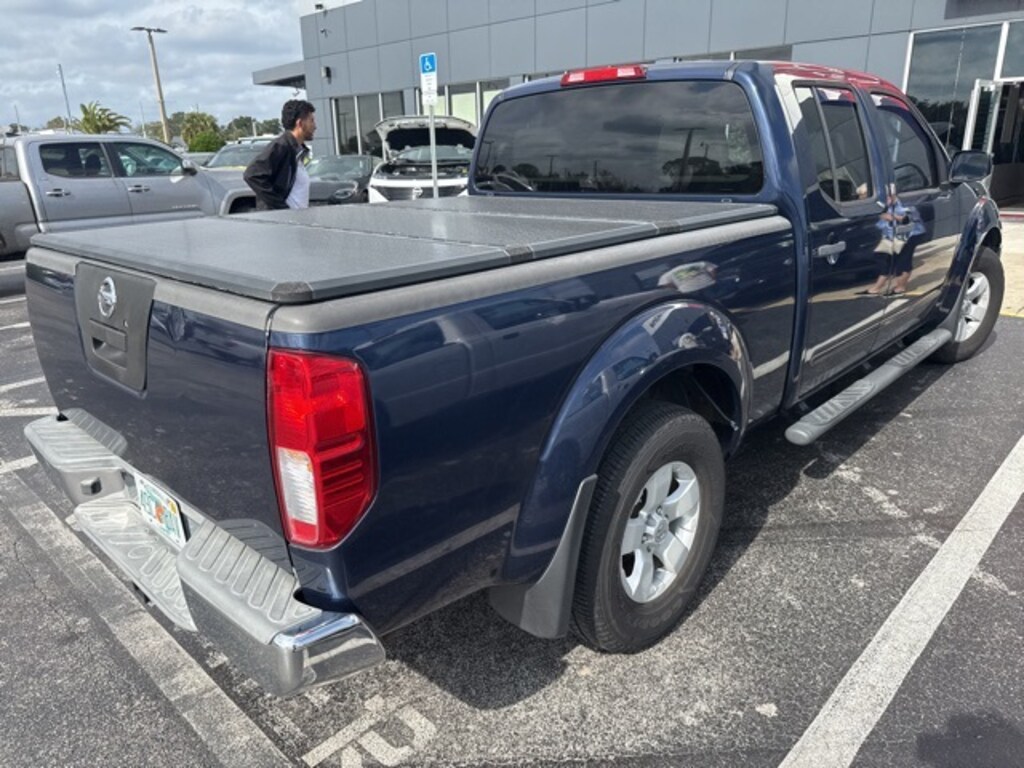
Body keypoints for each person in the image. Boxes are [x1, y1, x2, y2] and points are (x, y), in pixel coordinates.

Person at [243, 100, 316, 210]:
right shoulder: (281, 146)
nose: (315, 126)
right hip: (283, 222)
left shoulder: (296, 150)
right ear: (300, 123)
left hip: (297, 221)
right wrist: (280, 208)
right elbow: (251, 174)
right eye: (312, 121)